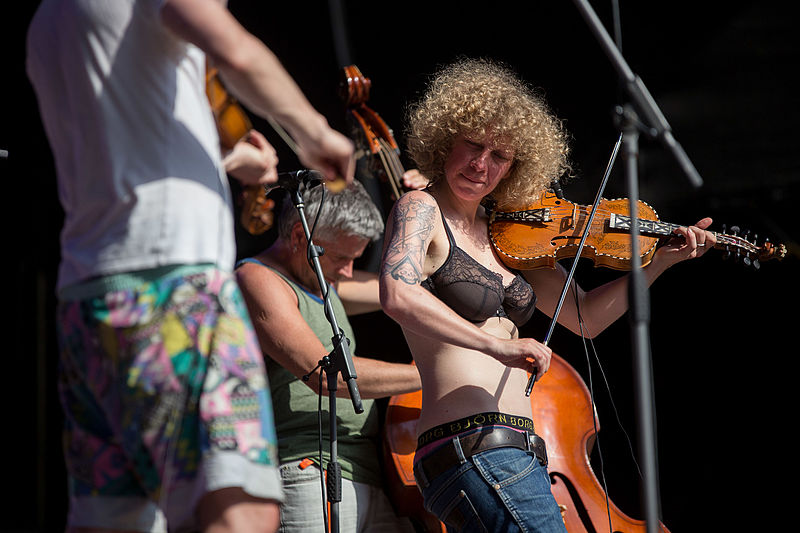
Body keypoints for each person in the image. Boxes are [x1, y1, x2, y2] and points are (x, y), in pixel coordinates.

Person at [25, 0, 355, 531]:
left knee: (117, 520)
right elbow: (237, 52)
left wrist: (225, 160)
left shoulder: (49, 19)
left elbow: (128, 151)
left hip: (88, 302)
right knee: (238, 508)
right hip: (174, 289)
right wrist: (315, 134)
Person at [378, 57, 716, 532]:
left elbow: (586, 318)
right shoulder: (421, 207)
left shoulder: (511, 234)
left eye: (500, 156)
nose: (482, 165)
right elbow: (397, 292)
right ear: (443, 141)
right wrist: (497, 345)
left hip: (518, 450)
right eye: (473, 145)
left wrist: (659, 263)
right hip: (472, 445)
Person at [235, 180, 421, 533]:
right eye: (340, 257)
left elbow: (403, 285)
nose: (348, 271)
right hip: (308, 472)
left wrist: (427, 204)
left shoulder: (326, 280)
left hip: (370, 474)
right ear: (298, 238)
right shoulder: (258, 278)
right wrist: (435, 374)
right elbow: (326, 376)